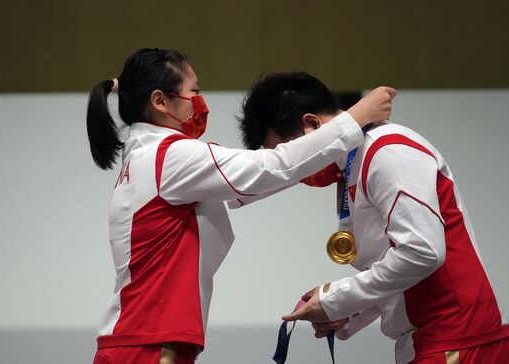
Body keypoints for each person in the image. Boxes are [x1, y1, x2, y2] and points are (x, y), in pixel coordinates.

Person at [86, 48, 396, 364]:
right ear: (160, 101)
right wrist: (355, 117)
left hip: (136, 339)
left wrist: (318, 162)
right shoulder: (169, 156)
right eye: (194, 91)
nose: (199, 100)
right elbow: (270, 166)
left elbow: (242, 189)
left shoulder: (147, 157)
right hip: (147, 343)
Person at [237, 72, 509, 363]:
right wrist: (348, 312)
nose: (296, 169)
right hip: (433, 339)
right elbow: (399, 270)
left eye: (291, 154)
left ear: (312, 125)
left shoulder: (388, 150)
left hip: (458, 336)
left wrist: (337, 298)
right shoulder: (352, 166)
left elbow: (423, 252)